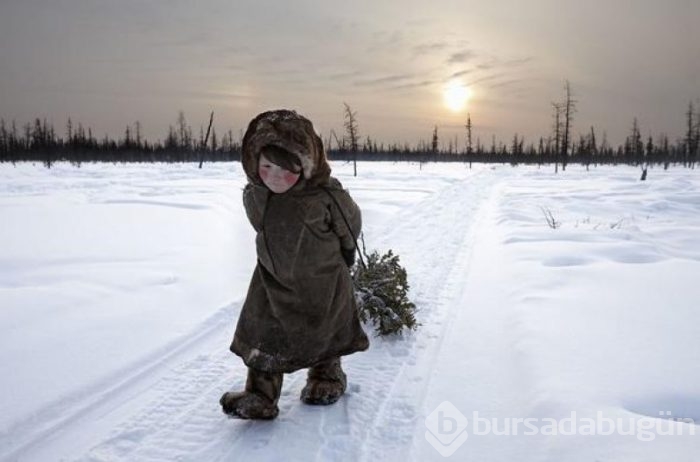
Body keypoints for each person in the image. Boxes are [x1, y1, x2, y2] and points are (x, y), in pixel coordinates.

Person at [220, 109, 369, 420]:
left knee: (324, 333)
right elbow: (262, 226)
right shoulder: (257, 195)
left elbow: (350, 226)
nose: (274, 176)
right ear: (253, 163)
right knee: (265, 335)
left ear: (306, 165)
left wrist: (346, 255)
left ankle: (326, 378)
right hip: (272, 282)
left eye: (286, 169)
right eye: (266, 166)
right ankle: (260, 395)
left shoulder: (327, 196)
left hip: (321, 279)